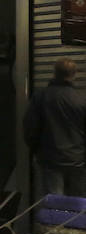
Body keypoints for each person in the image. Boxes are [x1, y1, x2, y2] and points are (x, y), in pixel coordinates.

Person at [24, 57, 86, 196]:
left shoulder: (41, 97)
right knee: (77, 206)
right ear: (74, 74)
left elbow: (30, 129)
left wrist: (36, 151)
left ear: (55, 73)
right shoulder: (81, 99)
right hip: (77, 161)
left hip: (50, 160)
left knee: (54, 204)